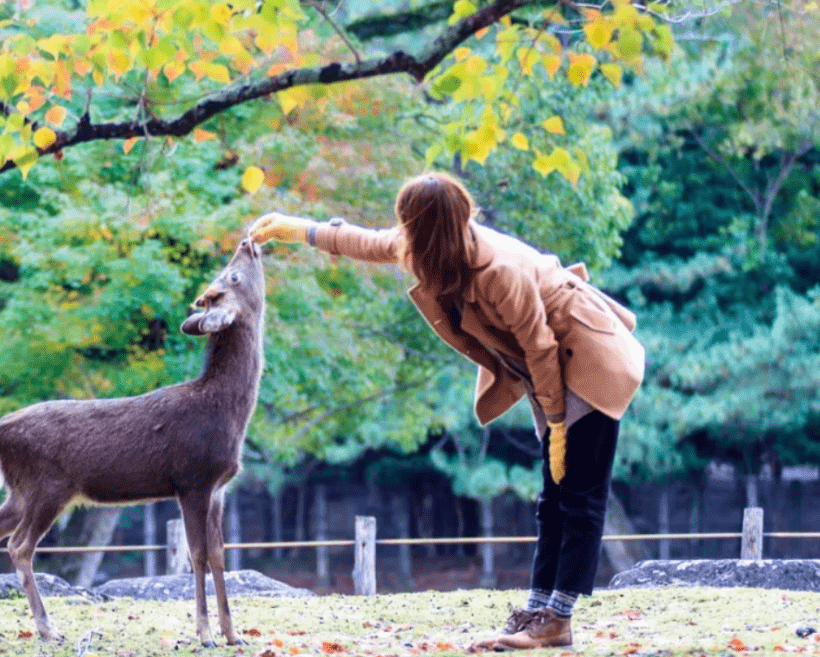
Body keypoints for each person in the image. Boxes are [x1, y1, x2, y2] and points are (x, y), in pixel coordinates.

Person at [248, 171, 644, 651]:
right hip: (551, 365)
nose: (401, 233)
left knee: (578, 494)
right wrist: (295, 228)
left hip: (588, 357)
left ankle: (557, 621)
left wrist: (558, 424)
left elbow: (540, 348)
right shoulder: (426, 246)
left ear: (425, 225)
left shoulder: (498, 271)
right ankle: (539, 610)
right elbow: (364, 242)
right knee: (552, 496)